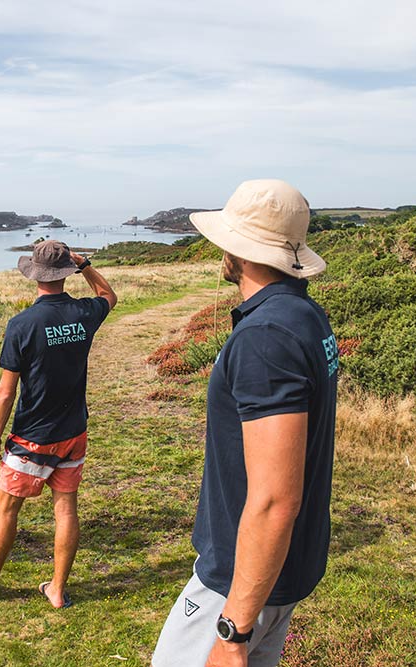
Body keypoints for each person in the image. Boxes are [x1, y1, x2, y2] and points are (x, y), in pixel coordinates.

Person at [152, 180, 338, 667]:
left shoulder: (266, 336)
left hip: (238, 580)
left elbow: (277, 498)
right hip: (280, 571)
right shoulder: (304, 315)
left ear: (239, 249)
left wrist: (232, 632)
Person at [0, 240, 117, 609]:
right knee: (66, 509)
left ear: (35, 275)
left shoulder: (22, 324)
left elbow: (5, 391)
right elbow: (108, 294)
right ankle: (57, 589)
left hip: (32, 437)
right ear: (65, 273)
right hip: (74, 431)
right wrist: (86, 265)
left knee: (6, 509)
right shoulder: (84, 313)